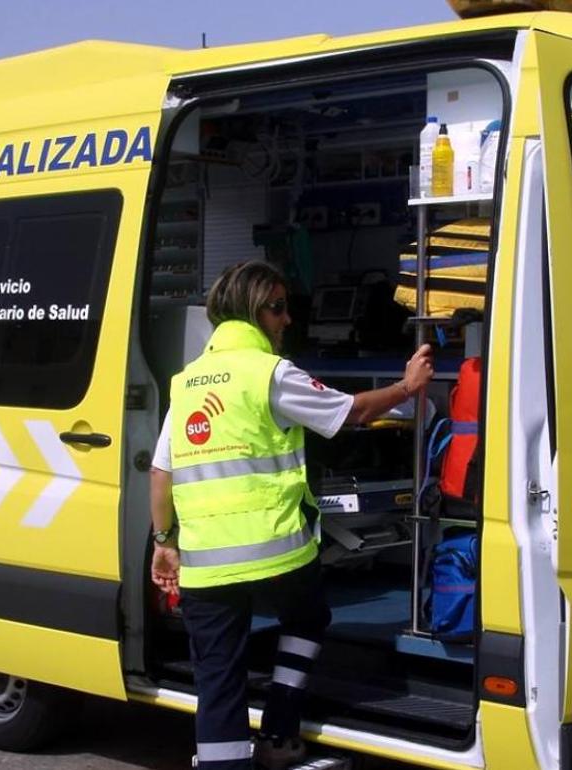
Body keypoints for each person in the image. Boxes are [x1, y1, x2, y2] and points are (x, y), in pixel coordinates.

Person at [149, 260, 434, 770]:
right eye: (279, 308)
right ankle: (279, 729)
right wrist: (407, 388)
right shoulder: (270, 373)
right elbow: (352, 412)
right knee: (308, 615)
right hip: (275, 552)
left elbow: (160, 474)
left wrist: (164, 541)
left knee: (218, 678)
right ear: (254, 311)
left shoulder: (186, 383)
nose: (286, 320)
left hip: (204, 563)